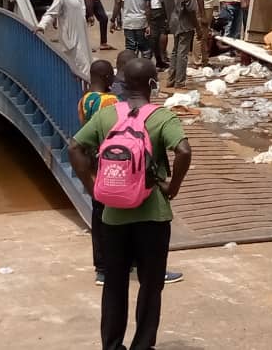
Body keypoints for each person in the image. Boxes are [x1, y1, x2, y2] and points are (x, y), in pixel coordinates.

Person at [69, 58, 192, 350]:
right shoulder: (163, 118)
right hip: (153, 217)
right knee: (150, 286)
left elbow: (75, 147)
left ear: (123, 84)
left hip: (113, 217)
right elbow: (184, 151)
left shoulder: (107, 115)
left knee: (114, 285)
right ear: (152, 84)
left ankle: (112, 346)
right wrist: (171, 187)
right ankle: (142, 345)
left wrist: (93, 187)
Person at [79, 60, 120, 287]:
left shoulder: (84, 100)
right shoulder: (111, 101)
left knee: (97, 212)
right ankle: (112, 264)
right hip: (108, 161)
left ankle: (101, 267)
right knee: (111, 212)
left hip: (91, 159)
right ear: (106, 77)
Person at [37, 0, 93, 82]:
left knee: (86, 66)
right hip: (72, 42)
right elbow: (51, 13)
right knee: (81, 68)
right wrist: (42, 26)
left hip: (81, 40)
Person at [160, 0, 199, 89]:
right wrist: (198, 28)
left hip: (172, 20)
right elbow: (191, 9)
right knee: (182, 52)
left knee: (175, 51)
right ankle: (179, 81)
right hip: (185, 22)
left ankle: (171, 79)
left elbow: (162, 0)